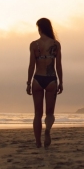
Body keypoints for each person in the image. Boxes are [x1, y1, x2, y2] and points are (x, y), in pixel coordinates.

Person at [26, 17, 63, 148]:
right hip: (51, 79)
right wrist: (61, 81)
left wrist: (28, 83)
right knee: (50, 113)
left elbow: (31, 65)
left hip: (37, 79)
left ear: (40, 28)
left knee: (37, 114)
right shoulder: (55, 44)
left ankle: (37, 142)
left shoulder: (34, 44)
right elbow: (58, 66)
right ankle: (47, 130)